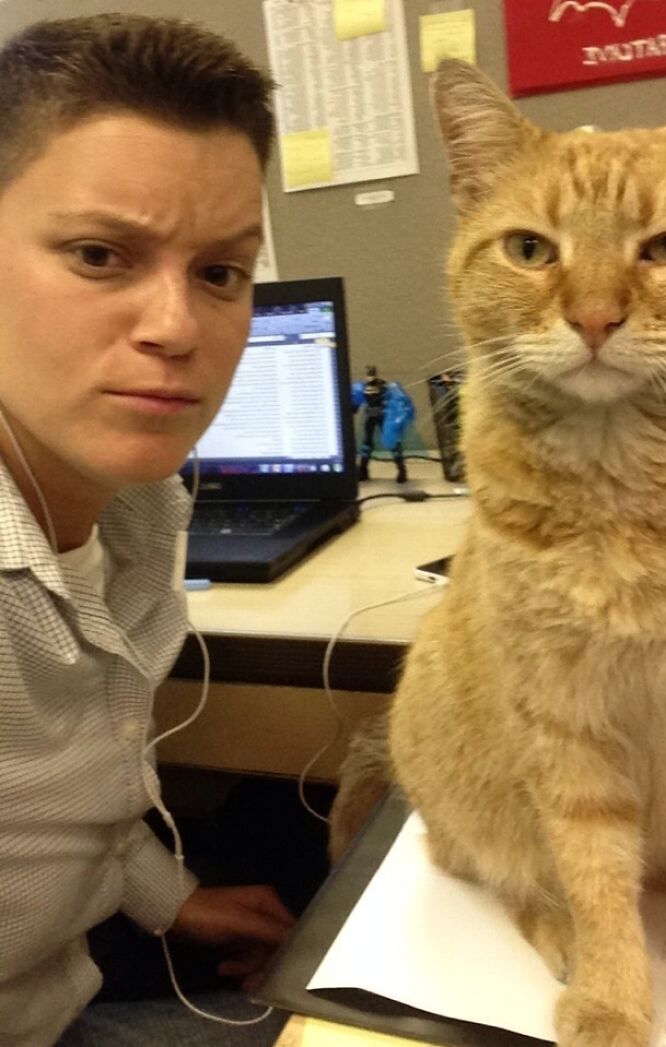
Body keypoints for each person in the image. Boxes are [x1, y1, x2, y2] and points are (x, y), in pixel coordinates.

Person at [0, 13, 296, 1046]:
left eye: (220, 272)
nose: (176, 328)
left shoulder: (140, 504)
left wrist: (171, 898)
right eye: (99, 254)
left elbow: (67, 790)